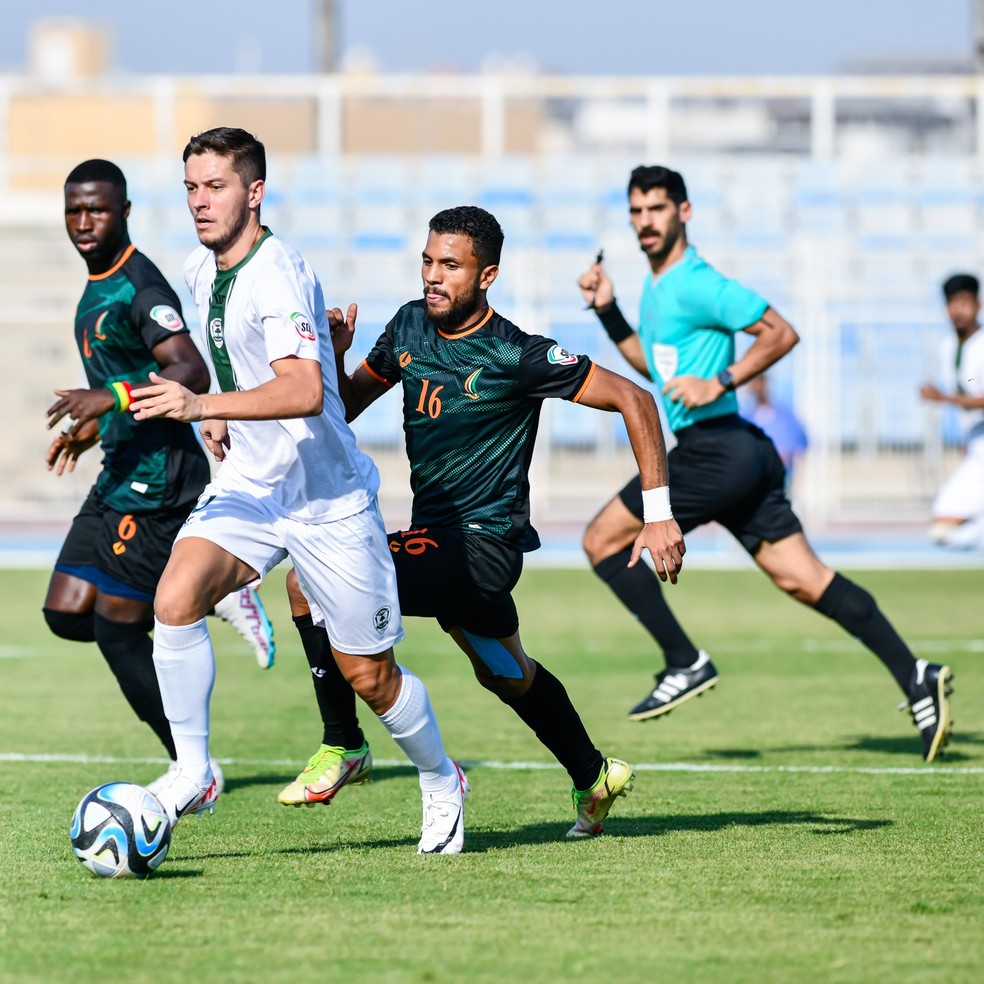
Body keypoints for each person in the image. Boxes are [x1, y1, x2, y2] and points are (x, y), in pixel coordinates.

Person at [279, 204, 686, 838]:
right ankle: (594, 775)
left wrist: (657, 515)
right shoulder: (409, 325)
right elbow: (345, 407)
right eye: (427, 261)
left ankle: (343, 743)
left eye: (450, 265)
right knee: (505, 671)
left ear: (487, 275)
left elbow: (636, 399)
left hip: (480, 547)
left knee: (307, 581)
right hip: (435, 540)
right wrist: (331, 365)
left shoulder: (516, 355)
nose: (432, 275)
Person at [129, 127, 466, 855]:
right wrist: (218, 413)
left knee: (370, 677)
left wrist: (202, 404)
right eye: (191, 188)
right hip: (253, 486)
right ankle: (193, 771)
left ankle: (442, 778)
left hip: (326, 500)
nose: (199, 201)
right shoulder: (198, 267)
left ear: (254, 192)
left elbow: (306, 390)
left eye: (216, 186)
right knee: (175, 599)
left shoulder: (276, 273)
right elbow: (232, 357)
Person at [576, 164, 954, 763]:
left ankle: (683, 660)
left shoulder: (697, 282)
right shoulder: (657, 286)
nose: (646, 221)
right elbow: (656, 368)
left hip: (715, 450)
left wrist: (721, 380)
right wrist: (608, 310)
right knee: (805, 579)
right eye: (636, 212)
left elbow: (780, 332)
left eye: (657, 208)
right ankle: (915, 674)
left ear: (684, 211)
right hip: (738, 452)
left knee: (601, 539)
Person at [44, 159, 276, 804]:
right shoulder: (98, 283)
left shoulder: (140, 287)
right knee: (65, 613)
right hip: (119, 466)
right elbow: (126, 378)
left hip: (158, 478)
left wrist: (109, 397)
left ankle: (193, 770)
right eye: (74, 210)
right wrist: (96, 424)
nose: (84, 222)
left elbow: (189, 369)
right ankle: (207, 592)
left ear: (123, 212)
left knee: (117, 630)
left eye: (97, 209)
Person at [919, 273, 984, 550]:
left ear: (977, 305)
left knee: (945, 528)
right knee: (942, 528)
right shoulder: (948, 347)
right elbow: (969, 389)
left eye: (964, 303)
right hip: (976, 446)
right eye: (952, 304)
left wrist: (943, 398)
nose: (958, 311)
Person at [739, 373, 808, 477]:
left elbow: (801, 442)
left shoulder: (785, 415)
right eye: (755, 385)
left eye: (761, 384)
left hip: (781, 472)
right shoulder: (746, 417)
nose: (759, 389)